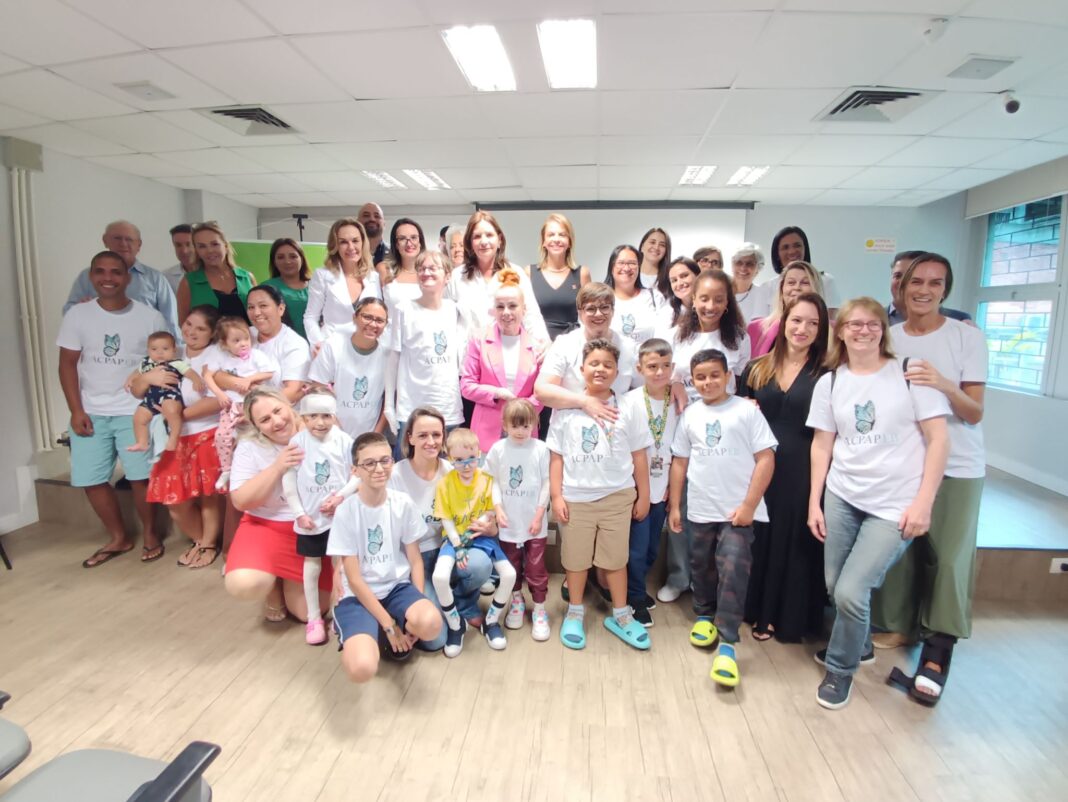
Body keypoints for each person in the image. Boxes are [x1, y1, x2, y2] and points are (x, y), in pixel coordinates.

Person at [806, 298, 949, 710]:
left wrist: (924, 503)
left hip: (894, 504)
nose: (863, 331)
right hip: (843, 494)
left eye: (872, 324)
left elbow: (939, 440)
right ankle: (862, 644)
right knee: (835, 585)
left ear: (883, 330)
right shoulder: (831, 382)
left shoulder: (910, 374)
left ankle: (841, 668)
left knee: (852, 590)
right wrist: (815, 501)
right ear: (841, 331)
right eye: (854, 324)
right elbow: (822, 444)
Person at [871, 253, 987, 706]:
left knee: (950, 557)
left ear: (946, 289)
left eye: (935, 283)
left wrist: (943, 383)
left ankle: (938, 649)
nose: (923, 290)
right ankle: (896, 624)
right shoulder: (890, 338)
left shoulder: (966, 336)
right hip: (904, 463)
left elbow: (974, 413)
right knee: (899, 548)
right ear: (900, 287)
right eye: (915, 281)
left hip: (958, 463)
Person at [669, 348, 777, 687]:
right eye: (700, 377)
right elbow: (680, 462)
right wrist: (675, 506)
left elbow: (766, 458)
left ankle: (728, 643)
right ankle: (704, 615)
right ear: (692, 380)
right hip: (700, 508)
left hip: (737, 512)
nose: (708, 382)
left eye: (715, 375)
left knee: (732, 568)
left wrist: (749, 506)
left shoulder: (746, 411)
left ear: (729, 376)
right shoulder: (690, 415)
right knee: (700, 564)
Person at [57, 250, 168, 567]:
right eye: (101, 271)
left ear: (127, 277)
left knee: (140, 477)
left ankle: (150, 534)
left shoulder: (150, 317)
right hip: (91, 410)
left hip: (135, 412)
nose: (108, 278)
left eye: (116, 272)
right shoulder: (77, 315)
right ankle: (119, 537)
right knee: (90, 478)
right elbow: (67, 365)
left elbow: (163, 363)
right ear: (91, 276)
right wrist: (76, 410)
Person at [546, 339, 652, 651]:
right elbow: (556, 458)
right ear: (582, 369)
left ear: (617, 371)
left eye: (608, 364)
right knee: (576, 560)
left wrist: (643, 496)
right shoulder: (565, 409)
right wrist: (556, 497)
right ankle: (574, 612)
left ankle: (621, 615)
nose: (600, 369)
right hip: (576, 498)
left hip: (617, 496)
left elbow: (639, 455)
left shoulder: (629, 407)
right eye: (594, 363)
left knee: (616, 560)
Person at [739, 293, 830, 642]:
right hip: (759, 465)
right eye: (797, 320)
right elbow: (738, 417)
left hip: (803, 469)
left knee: (792, 542)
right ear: (784, 322)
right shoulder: (756, 367)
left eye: (813, 323)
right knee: (760, 537)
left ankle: (785, 616)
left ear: (822, 329)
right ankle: (755, 609)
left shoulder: (827, 375)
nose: (802, 328)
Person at [661, 269, 751, 604]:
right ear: (693, 300)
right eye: (703, 299)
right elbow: (667, 375)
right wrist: (674, 382)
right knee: (680, 504)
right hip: (683, 427)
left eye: (718, 299)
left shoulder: (738, 338)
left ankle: (709, 583)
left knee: (717, 506)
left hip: (724, 434)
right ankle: (679, 576)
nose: (710, 306)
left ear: (728, 303)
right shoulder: (678, 335)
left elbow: (742, 382)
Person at [329, 432, 443, 683]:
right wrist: (390, 625)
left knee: (431, 625)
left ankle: (385, 627)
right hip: (357, 595)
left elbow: (415, 560)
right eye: (369, 463)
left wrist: (418, 604)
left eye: (385, 460)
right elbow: (354, 580)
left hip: (395, 587)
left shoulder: (402, 503)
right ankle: (371, 630)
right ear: (355, 470)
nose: (379, 469)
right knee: (362, 668)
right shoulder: (346, 511)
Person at [224, 388, 333, 623]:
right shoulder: (249, 447)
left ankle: (286, 579)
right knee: (243, 584)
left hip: (313, 529)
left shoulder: (319, 428)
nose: (277, 421)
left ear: (289, 406)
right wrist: (277, 467)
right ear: (256, 426)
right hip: (266, 526)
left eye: (277, 411)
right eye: (265, 419)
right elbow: (240, 500)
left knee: (306, 614)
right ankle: (272, 586)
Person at [135, 305, 227, 570]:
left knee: (208, 496)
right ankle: (200, 539)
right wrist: (147, 378)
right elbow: (137, 390)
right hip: (171, 438)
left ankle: (208, 544)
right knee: (173, 501)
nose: (191, 332)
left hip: (205, 433)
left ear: (212, 333)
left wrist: (176, 414)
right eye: (188, 324)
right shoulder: (168, 350)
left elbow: (221, 399)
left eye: (200, 328)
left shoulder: (217, 356)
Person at [432, 428, 518, 656]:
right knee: (439, 577)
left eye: (471, 458)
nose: (466, 465)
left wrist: (478, 527)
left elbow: (491, 510)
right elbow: (445, 518)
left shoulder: (487, 479)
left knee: (509, 574)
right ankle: (455, 626)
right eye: (459, 460)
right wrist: (458, 545)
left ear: (479, 453)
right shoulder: (444, 484)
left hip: (482, 538)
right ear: (450, 458)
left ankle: (491, 621)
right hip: (454, 540)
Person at [281, 391, 357, 646]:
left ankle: (340, 611)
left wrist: (340, 497)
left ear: (334, 416)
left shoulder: (344, 441)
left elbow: (357, 475)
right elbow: (288, 479)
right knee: (312, 566)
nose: (320, 422)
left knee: (340, 565)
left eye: (326, 416)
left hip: (340, 517)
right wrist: (299, 513)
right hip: (311, 519)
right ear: (303, 417)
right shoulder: (297, 442)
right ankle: (314, 618)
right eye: (312, 416)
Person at [484, 399, 551, 641]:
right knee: (510, 565)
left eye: (526, 426)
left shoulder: (541, 449)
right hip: (508, 522)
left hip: (534, 522)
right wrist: (498, 508)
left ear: (534, 424)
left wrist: (539, 514)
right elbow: (491, 481)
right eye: (515, 426)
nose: (521, 431)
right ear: (505, 425)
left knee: (536, 567)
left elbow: (547, 482)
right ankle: (516, 600)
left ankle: (540, 608)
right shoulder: (498, 449)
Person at [384, 249, 464, 454]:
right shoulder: (403, 309)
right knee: (407, 468)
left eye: (433, 268)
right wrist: (389, 406)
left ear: (447, 276)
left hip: (447, 407)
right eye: (422, 269)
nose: (426, 273)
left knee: (445, 470)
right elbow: (393, 359)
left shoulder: (455, 310)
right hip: (411, 408)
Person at [623, 338, 678, 628]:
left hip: (663, 485)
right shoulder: (630, 401)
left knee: (653, 548)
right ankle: (634, 597)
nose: (659, 372)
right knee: (637, 548)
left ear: (673, 367)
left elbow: (681, 450)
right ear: (640, 369)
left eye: (665, 366)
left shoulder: (679, 402)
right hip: (636, 487)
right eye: (652, 366)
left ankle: (635, 587)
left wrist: (672, 488)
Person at [388, 407, 452, 652]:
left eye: (436, 434)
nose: (431, 441)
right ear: (410, 438)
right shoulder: (395, 475)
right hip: (412, 558)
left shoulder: (451, 471)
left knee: (478, 566)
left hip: (444, 553)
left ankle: (458, 602)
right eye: (423, 435)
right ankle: (394, 618)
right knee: (436, 640)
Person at [460, 269, 543, 453]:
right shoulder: (478, 340)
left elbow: (542, 393)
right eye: (500, 307)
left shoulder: (538, 346)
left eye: (512, 306)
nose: (506, 312)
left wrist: (521, 409)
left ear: (524, 309)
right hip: (486, 432)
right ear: (494, 310)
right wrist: (497, 393)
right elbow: (466, 386)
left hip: (524, 429)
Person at [535, 282, 640, 425]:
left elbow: (642, 391)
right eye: (591, 309)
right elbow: (541, 391)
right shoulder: (564, 344)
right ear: (580, 313)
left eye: (604, 307)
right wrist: (584, 402)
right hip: (569, 428)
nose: (598, 314)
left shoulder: (630, 348)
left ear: (613, 311)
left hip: (616, 428)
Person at [63, 220, 179, 337]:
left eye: (129, 239)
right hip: (100, 344)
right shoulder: (87, 276)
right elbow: (68, 312)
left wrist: (175, 346)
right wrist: (81, 309)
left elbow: (170, 320)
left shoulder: (156, 279)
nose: (123, 243)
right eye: (117, 238)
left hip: (145, 346)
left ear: (139, 245)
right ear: (105, 241)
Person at [202, 317, 280, 491]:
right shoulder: (222, 357)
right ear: (224, 344)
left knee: (257, 437)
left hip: (252, 406)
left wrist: (249, 379)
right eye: (236, 341)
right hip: (232, 406)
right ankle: (227, 469)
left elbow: (269, 372)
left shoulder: (256, 355)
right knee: (222, 436)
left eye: (246, 338)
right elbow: (207, 375)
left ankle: (266, 468)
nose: (243, 343)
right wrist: (219, 393)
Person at [448, 210, 548, 345]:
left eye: (489, 235)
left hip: (506, 351)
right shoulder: (457, 277)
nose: (484, 241)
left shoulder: (516, 273)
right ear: (470, 243)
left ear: (499, 240)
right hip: (467, 353)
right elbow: (447, 320)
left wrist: (542, 343)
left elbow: (532, 317)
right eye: (477, 236)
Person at [307, 297, 389, 439]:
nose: (372, 324)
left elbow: (389, 400)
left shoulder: (388, 354)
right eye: (367, 317)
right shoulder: (334, 345)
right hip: (332, 432)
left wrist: (375, 435)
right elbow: (317, 388)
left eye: (379, 320)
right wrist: (336, 430)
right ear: (354, 317)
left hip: (369, 436)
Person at [304, 218, 382, 348]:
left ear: (363, 243)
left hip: (365, 350)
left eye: (355, 241)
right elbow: (310, 317)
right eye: (343, 242)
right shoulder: (322, 276)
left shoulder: (373, 277)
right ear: (335, 246)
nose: (351, 247)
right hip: (331, 348)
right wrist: (318, 345)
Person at [126, 330, 206, 453]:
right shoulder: (146, 363)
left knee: (172, 412)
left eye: (165, 349)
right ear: (148, 350)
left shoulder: (176, 363)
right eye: (154, 349)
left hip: (169, 394)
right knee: (138, 417)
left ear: (174, 350)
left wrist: (196, 380)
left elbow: (189, 372)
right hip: (150, 398)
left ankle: (173, 437)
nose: (160, 353)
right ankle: (142, 442)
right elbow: (137, 372)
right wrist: (130, 379)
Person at [237, 284, 311, 404]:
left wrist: (254, 408)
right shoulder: (244, 334)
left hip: (275, 410)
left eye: (263, 306)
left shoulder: (295, 344)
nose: (256, 312)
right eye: (251, 307)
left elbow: (292, 392)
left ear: (280, 309)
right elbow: (216, 371)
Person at [176, 221, 256, 325]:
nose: (209, 250)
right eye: (202, 246)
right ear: (196, 251)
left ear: (225, 245)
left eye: (215, 244)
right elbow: (184, 324)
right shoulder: (189, 283)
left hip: (248, 335)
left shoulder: (247, 277)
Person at [527, 213, 591, 341]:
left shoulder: (582, 273)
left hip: (572, 344)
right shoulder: (529, 272)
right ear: (543, 241)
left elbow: (589, 315)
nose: (556, 239)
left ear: (570, 242)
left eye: (562, 235)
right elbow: (523, 315)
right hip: (537, 344)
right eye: (551, 235)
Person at [747, 261, 825, 358]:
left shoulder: (832, 331)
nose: (797, 287)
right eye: (791, 283)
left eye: (805, 283)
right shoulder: (755, 328)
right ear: (782, 288)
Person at [886, 250, 972, 326]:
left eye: (913, 277)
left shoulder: (959, 320)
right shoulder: (878, 317)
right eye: (898, 276)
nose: (903, 282)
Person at [768, 226, 841, 313]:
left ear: (805, 249)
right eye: (785, 247)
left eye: (797, 245)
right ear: (777, 254)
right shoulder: (768, 287)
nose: (792, 251)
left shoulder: (825, 280)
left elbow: (831, 317)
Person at [606, 244, 659, 347]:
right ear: (612, 268)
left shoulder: (654, 297)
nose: (626, 268)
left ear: (639, 267)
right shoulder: (601, 299)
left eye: (632, 263)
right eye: (621, 263)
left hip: (648, 356)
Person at [261, 238, 311, 340]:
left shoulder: (316, 286)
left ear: (301, 259)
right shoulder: (267, 288)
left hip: (317, 345)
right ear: (274, 262)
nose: (287, 261)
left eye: (293, 256)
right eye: (280, 257)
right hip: (283, 345)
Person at [378, 218, 426, 317]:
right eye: (402, 238)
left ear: (420, 242)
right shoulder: (384, 269)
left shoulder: (430, 272)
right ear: (396, 244)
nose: (409, 243)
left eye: (413, 237)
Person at [654, 257, 701, 339]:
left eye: (684, 276)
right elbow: (659, 344)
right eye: (674, 280)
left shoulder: (711, 307)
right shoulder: (666, 314)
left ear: (698, 276)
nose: (679, 283)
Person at [729, 243, 774, 323]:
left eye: (750, 264)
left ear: (758, 269)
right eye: (739, 262)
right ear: (732, 265)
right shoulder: (721, 290)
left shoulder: (763, 294)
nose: (743, 268)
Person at [162, 223, 198, 296]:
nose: (184, 251)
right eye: (178, 245)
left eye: (188, 244)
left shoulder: (213, 272)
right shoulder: (165, 277)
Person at [637, 227, 671, 302]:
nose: (656, 247)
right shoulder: (630, 275)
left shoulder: (671, 278)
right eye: (652, 242)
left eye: (662, 245)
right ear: (642, 246)